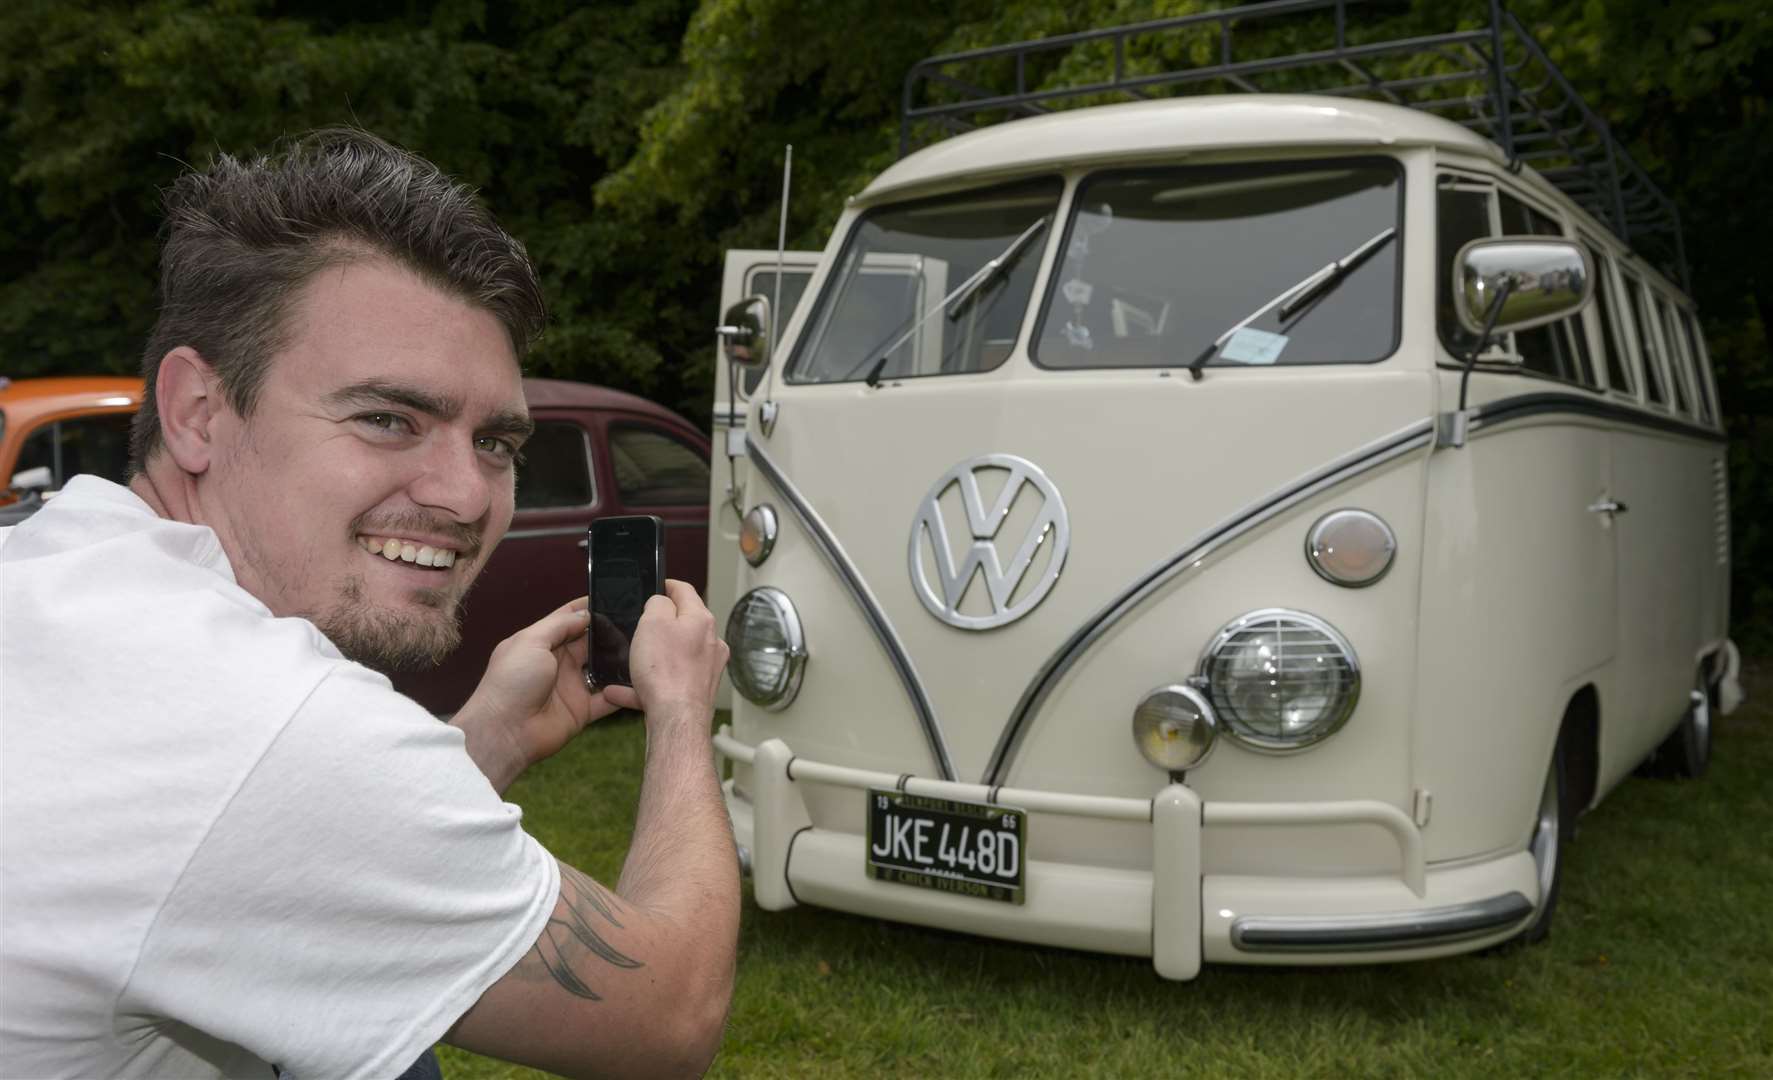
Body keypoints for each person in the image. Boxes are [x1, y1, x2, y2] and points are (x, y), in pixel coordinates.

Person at [0, 129, 738, 1079]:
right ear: (197, 413)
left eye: (497, 443)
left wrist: (492, 739)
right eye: (388, 418)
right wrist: (680, 710)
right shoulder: (258, 720)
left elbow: (240, 840)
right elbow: (667, 1015)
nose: (468, 496)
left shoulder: (62, 575)